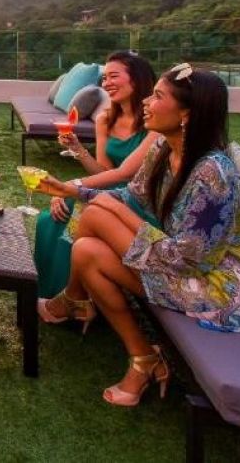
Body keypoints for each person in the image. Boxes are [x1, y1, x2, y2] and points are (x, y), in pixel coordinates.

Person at [33, 64, 240, 406]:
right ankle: (143, 357)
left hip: (216, 286)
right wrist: (73, 190)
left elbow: (188, 260)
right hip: (179, 263)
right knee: (86, 249)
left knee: (99, 213)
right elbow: (131, 196)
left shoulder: (213, 174)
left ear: (186, 113)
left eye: (157, 96)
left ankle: (72, 301)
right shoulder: (163, 149)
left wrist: (115, 210)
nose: (147, 102)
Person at [34, 51, 158, 298]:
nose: (107, 83)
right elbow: (104, 172)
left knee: (72, 212)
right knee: (49, 219)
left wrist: (68, 187)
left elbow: (124, 174)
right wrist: (78, 149)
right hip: (110, 191)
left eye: (114, 76)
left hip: (138, 201)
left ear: (137, 79)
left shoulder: (155, 123)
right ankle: (47, 292)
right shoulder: (105, 120)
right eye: (105, 78)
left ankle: (71, 299)